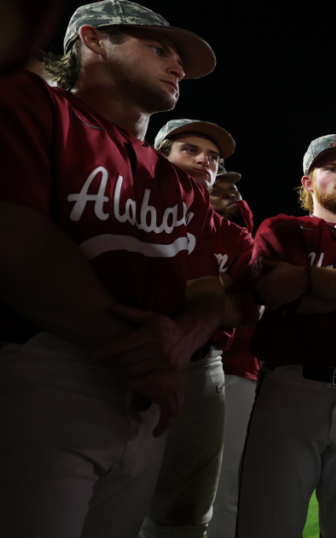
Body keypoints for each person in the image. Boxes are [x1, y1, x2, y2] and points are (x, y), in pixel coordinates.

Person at [0, 2, 222, 537]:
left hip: (151, 397)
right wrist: (141, 353)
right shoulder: (32, 104)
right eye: (158, 47)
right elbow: (16, 238)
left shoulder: (176, 182)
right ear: (94, 40)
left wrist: (179, 339)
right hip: (47, 366)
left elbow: (209, 290)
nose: (178, 66)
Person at [232, 134, 336, 537]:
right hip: (291, 387)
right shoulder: (283, 227)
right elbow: (275, 291)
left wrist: (307, 282)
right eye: (332, 168)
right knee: (268, 524)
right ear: (307, 182)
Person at [146, 119, 259, 538]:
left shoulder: (235, 235)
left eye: (212, 156)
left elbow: (248, 309)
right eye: (189, 149)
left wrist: (180, 295)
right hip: (115, 355)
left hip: (202, 364)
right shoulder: (128, 204)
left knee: (186, 507)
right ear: (159, 154)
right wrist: (212, 289)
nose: (203, 161)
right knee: (109, 491)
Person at [206, 166, 262, 538]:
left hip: (237, 369)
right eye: (220, 189)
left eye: (234, 191)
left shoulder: (244, 239)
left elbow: (248, 309)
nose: (233, 196)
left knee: (227, 484)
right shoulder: (166, 223)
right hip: (177, 361)